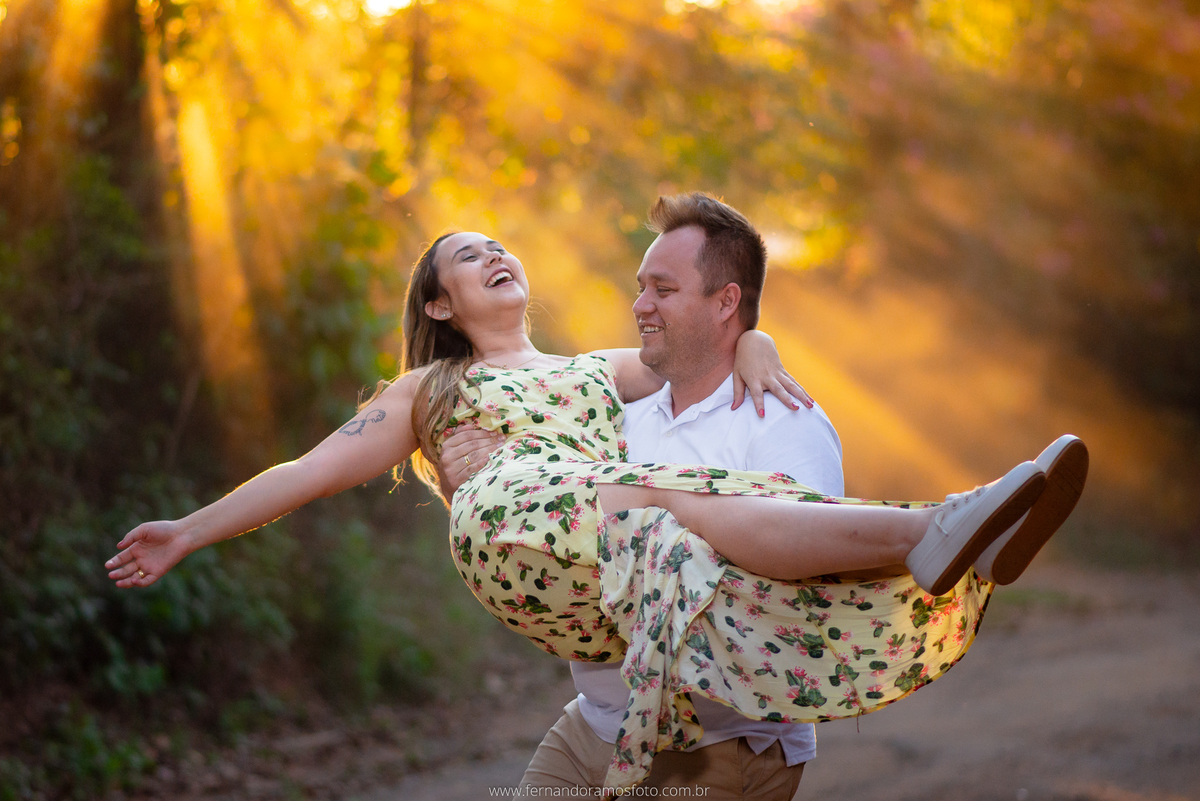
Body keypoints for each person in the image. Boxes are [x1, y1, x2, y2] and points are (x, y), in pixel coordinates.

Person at [105, 197, 1088, 793]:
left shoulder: (589, 371)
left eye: (499, 244)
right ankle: (934, 524)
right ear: (442, 305)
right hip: (512, 515)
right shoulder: (435, 391)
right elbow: (303, 473)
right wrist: (187, 533)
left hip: (590, 524)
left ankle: (947, 546)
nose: (495, 255)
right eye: (466, 257)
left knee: (701, 507)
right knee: (679, 501)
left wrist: (759, 339)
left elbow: (698, 340)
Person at [437, 193, 844, 799]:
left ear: (725, 301)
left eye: (663, 289)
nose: (639, 306)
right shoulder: (615, 417)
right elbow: (553, 531)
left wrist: (755, 343)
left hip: (713, 745)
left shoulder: (780, 421)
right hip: (592, 726)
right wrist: (463, 485)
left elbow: (805, 593)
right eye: (640, 287)